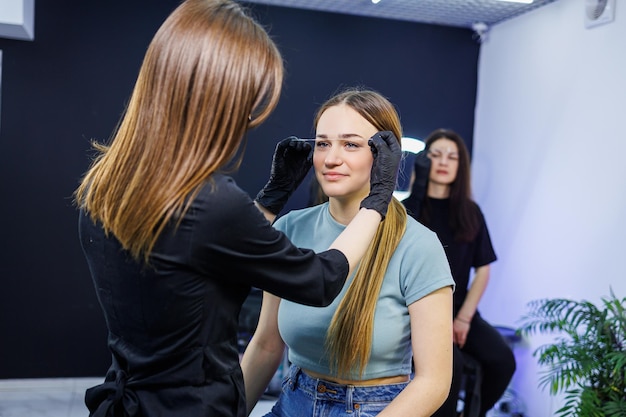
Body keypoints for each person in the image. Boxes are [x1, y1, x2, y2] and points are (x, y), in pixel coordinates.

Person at [72, 1, 402, 416]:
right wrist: (378, 201)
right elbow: (319, 280)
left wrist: (269, 199)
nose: (250, 118)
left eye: (351, 144)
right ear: (219, 98)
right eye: (249, 102)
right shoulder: (211, 202)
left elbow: (201, 252)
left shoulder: (106, 185)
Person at [241, 88, 456, 417]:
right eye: (323, 143)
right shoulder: (290, 228)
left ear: (385, 154)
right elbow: (266, 344)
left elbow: (434, 381)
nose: (330, 159)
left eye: (351, 144)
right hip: (293, 401)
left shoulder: (418, 246)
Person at [403, 128, 516, 417]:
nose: (443, 161)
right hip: (417, 315)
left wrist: (464, 318)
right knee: (448, 368)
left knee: (503, 361)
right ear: (424, 161)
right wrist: (418, 189)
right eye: (435, 154)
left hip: (459, 312)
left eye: (452, 157)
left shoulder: (471, 212)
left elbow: (483, 270)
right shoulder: (406, 210)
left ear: (460, 166)